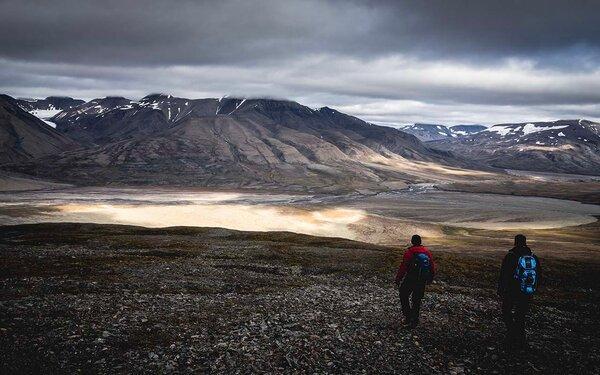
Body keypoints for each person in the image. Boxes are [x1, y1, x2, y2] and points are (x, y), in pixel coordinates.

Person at [498, 234, 541, 348]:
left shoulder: (511, 256)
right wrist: (534, 289)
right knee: (521, 315)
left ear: (515, 242)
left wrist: (501, 289)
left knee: (506, 311)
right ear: (525, 242)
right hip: (527, 290)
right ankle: (521, 338)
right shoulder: (532, 256)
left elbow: (504, 274)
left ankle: (511, 334)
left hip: (512, 290)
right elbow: (538, 274)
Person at [395, 234, 435, 328]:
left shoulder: (410, 252)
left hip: (411, 278)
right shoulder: (427, 252)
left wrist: (398, 279)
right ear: (420, 242)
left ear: (412, 242)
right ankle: (415, 320)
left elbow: (403, 267)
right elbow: (432, 266)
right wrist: (430, 278)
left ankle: (408, 316)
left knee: (403, 294)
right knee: (416, 300)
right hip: (422, 279)